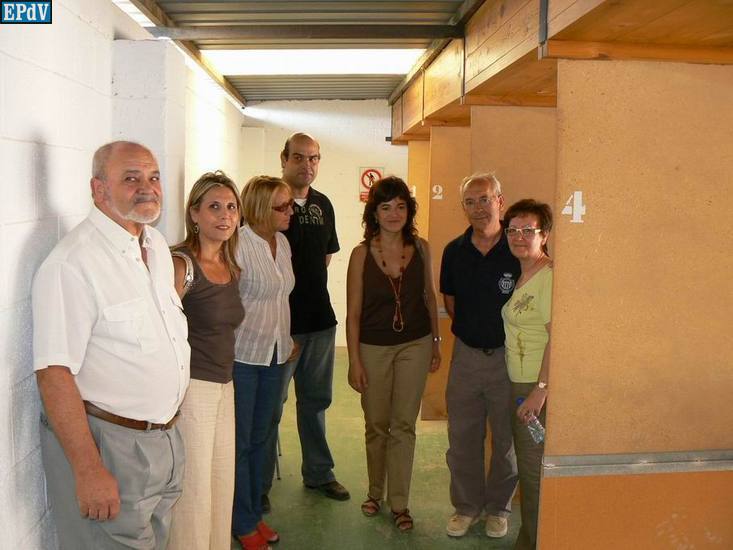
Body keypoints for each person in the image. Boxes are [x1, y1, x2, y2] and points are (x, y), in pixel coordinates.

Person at [32, 141, 190, 549]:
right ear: (99, 189)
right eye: (131, 178)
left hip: (164, 440)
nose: (148, 187)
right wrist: (88, 469)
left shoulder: (154, 246)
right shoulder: (73, 263)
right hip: (111, 447)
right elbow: (53, 374)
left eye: (153, 177)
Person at [346, 177, 441, 532]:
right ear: (374, 212)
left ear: (409, 211)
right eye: (385, 207)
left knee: (403, 424)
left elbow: (429, 296)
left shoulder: (422, 248)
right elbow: (353, 314)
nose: (393, 214)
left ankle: (399, 502)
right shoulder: (360, 254)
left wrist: (436, 342)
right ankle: (375, 491)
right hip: (372, 347)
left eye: (400, 206)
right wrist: (354, 361)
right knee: (376, 423)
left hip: (415, 344)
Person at [262, 132, 349, 508]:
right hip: (279, 327)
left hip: (320, 323)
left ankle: (319, 473)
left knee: (315, 402)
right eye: (298, 157)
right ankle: (259, 484)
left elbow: (324, 258)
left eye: (313, 158)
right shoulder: (268, 203)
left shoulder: (323, 204)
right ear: (284, 159)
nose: (307, 165)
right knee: (270, 407)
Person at [440, 173, 520, 539]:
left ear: (500, 201)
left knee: (505, 440)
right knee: (462, 438)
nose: (478, 208)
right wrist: (475, 333)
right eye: (470, 202)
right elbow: (451, 302)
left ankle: (498, 508)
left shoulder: (518, 247)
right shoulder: (454, 251)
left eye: (485, 199)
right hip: (467, 358)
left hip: (509, 360)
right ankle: (467, 507)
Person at [168, 171, 245, 550]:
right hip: (193, 390)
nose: (225, 215)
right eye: (214, 206)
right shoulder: (181, 265)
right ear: (194, 214)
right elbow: (159, 333)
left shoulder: (230, 267)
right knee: (194, 496)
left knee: (220, 486)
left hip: (224, 386)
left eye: (231, 207)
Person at [231, 176, 295, 550]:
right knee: (241, 442)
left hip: (276, 354)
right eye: (281, 207)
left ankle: (254, 512)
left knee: (263, 438)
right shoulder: (238, 245)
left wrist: (286, 338)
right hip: (243, 356)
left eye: (290, 205)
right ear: (258, 208)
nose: (290, 212)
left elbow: (281, 297)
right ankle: (241, 521)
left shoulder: (282, 243)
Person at [501, 199, 553, 550]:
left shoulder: (548, 277)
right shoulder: (524, 273)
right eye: (513, 230)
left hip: (534, 386)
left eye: (528, 230)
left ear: (544, 235)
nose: (518, 236)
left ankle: (536, 542)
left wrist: (540, 390)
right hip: (520, 381)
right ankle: (530, 538)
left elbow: (556, 337)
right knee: (528, 468)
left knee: (533, 473)